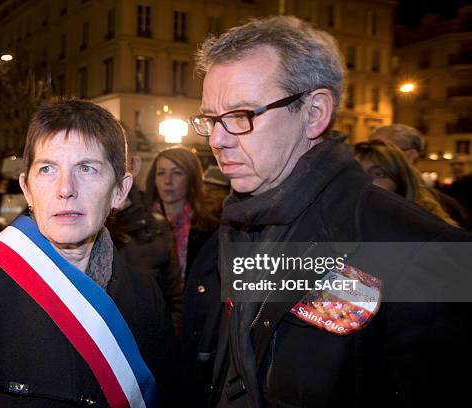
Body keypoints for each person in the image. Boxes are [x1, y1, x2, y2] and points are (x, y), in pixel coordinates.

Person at [188, 16, 471, 407]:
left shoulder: (424, 250)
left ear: (315, 112)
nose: (217, 141)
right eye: (211, 120)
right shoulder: (237, 225)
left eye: (241, 116)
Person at [0, 98, 173, 406]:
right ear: (27, 188)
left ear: (120, 190)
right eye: (47, 169)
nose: (65, 188)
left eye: (86, 168)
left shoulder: (146, 297)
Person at [105, 144, 183, 338]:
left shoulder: (156, 226)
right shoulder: (66, 227)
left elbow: (175, 300)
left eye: (115, 157)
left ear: (134, 165)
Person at [370, 124, 470, 228]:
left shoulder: (445, 206)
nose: (369, 155)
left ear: (410, 156)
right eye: (368, 148)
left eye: (380, 150)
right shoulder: (360, 193)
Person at [145, 147, 218, 282]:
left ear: (191, 178)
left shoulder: (212, 229)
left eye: (177, 173)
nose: (168, 181)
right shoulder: (139, 226)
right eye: (161, 173)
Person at [354, 139, 457, 226]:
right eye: (355, 172)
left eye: (378, 174)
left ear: (401, 184)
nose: (363, 181)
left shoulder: (432, 235)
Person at [442, 153, 472, 218]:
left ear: (470, 166)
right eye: (452, 164)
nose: (456, 167)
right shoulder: (449, 186)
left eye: (461, 164)